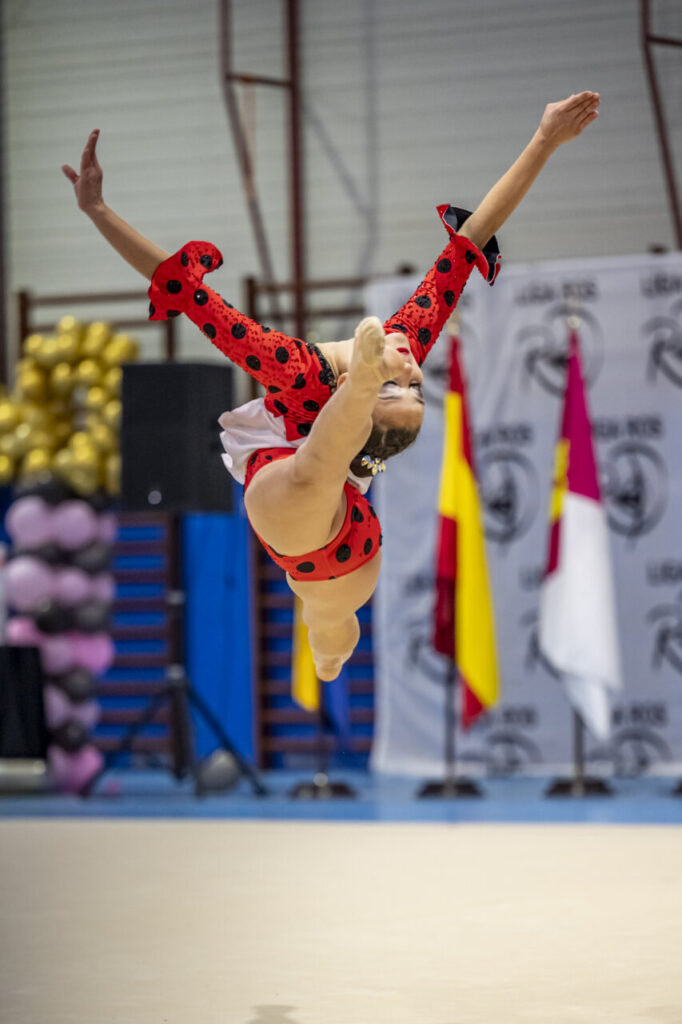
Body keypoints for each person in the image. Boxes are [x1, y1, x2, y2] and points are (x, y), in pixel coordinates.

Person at [63, 91, 600, 680]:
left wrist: (99, 213)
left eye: (395, 390)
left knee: (317, 493)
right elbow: (471, 240)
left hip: (309, 521)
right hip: (350, 544)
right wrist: (545, 140)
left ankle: (325, 642)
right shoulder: (406, 345)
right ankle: (327, 646)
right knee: (332, 631)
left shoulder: (298, 371)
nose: (415, 378)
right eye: (418, 392)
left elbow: (195, 298)